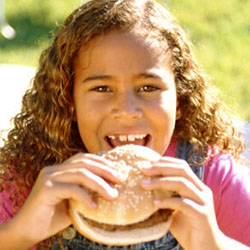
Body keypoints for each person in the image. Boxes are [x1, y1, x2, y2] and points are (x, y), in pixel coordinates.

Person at [0, 0, 249, 249]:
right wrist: (20, 232)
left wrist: (213, 243)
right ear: (69, 102)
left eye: (148, 87)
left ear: (180, 100)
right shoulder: (33, 179)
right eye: (102, 88)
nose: (127, 111)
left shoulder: (211, 175)